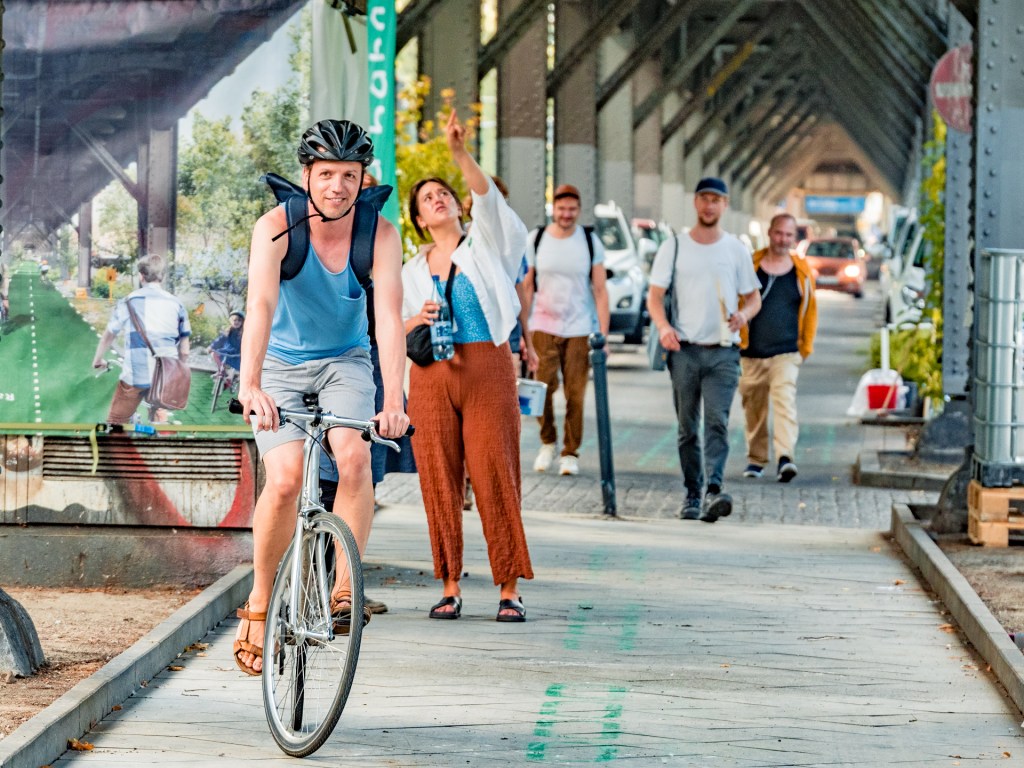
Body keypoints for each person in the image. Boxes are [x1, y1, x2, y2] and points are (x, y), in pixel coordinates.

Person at [233, 119, 409, 675]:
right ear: (306, 175)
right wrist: (250, 383)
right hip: (280, 365)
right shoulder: (275, 228)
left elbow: (387, 319)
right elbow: (259, 306)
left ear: (363, 180)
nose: (338, 185)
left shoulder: (378, 234)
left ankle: (343, 590)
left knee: (355, 456)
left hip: (345, 362)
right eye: (326, 173)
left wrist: (395, 400)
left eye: (350, 175)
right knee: (284, 480)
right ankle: (260, 603)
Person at [402, 109, 533, 622]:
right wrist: (415, 314)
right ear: (418, 219)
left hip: (487, 366)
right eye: (425, 198)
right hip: (431, 375)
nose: (437, 199)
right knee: (438, 477)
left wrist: (459, 153)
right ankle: (450, 584)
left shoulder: (487, 245)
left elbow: (489, 201)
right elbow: (390, 324)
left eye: (443, 193)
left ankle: (508, 586)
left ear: (457, 205)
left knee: (495, 470)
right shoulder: (412, 267)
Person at [646, 177, 761, 523]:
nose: (709, 206)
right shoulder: (674, 247)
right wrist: (664, 328)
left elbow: (753, 297)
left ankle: (713, 489)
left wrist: (744, 314)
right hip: (684, 350)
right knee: (686, 427)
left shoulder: (735, 250)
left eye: (716, 200)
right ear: (696, 203)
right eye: (704, 199)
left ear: (725, 205)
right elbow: (654, 297)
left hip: (724, 351)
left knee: (717, 422)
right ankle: (692, 492)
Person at [524, 183, 609, 476]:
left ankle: (570, 452)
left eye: (572, 209)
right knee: (541, 388)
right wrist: (523, 330)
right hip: (543, 324)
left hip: (579, 327)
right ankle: (547, 440)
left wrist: (604, 336)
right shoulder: (536, 239)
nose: (566, 214)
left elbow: (600, 289)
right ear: (553, 210)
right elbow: (526, 286)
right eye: (561, 209)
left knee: (576, 394)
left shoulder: (589, 242)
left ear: (579, 211)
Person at [738, 213, 817, 483]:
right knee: (754, 409)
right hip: (751, 353)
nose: (783, 239)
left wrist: (805, 347)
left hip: (786, 352)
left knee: (784, 402)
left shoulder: (801, 272)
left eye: (788, 235)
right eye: (779, 233)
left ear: (794, 238)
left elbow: (810, 311)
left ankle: (786, 457)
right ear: (769, 233)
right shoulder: (751, 265)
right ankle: (756, 459)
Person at [91, 254, 191, 424]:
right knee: (160, 411)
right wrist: (178, 370)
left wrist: (98, 359)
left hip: (135, 374)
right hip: (166, 376)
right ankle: (162, 435)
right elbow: (184, 350)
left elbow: (109, 334)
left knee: (116, 421)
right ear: (163, 276)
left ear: (141, 276)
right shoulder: (177, 304)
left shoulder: (128, 301)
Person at [208, 310, 244, 377]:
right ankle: (221, 371)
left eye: (239, 320)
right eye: (234, 320)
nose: (236, 322)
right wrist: (211, 347)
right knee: (214, 354)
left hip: (238, 355)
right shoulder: (228, 331)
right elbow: (219, 340)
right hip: (227, 352)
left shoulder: (243, 333)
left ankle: (233, 380)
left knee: (242, 370)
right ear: (231, 321)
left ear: (242, 322)